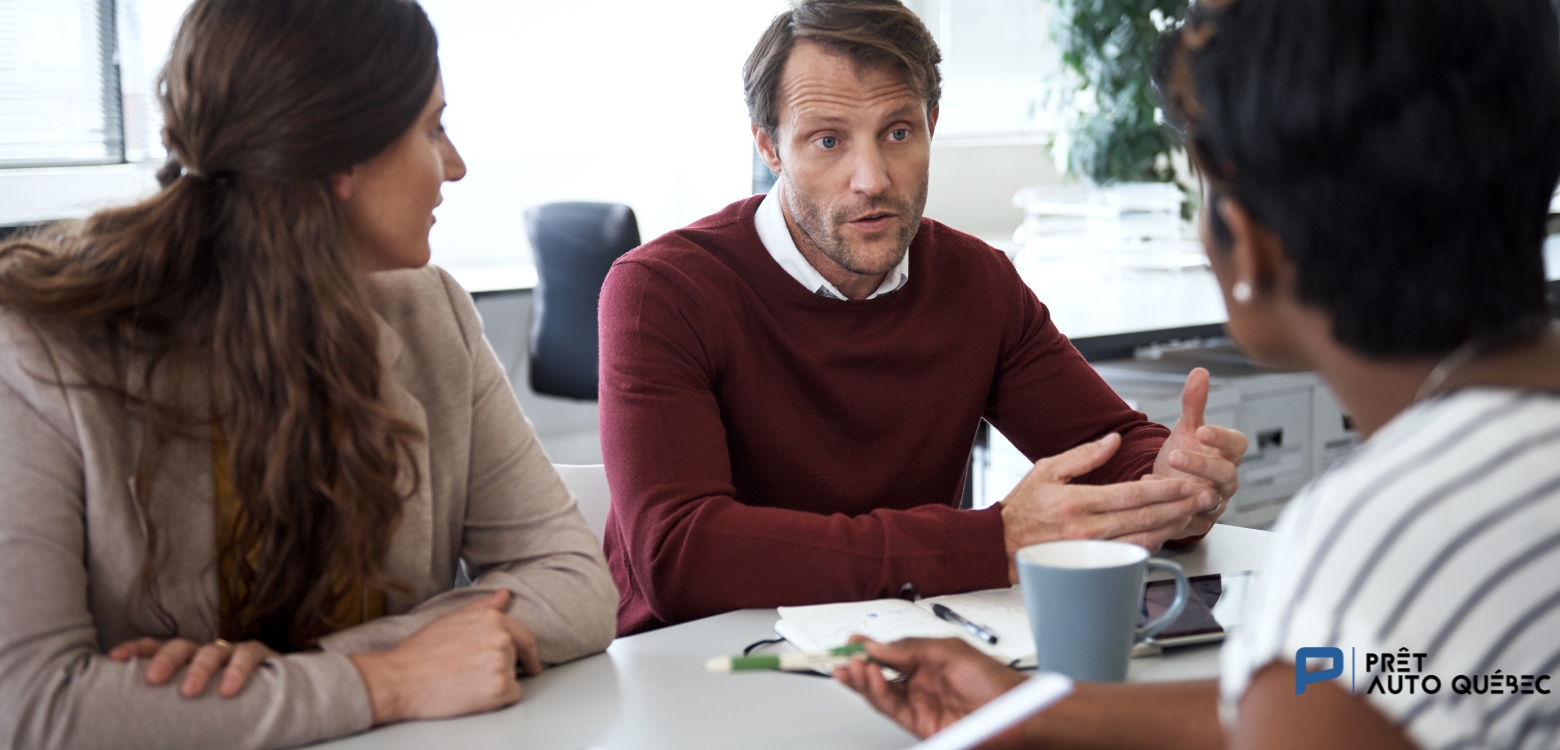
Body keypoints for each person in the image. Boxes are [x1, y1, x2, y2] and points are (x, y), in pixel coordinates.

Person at [834, 0, 1560, 748]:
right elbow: (1386, 682)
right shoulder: (1496, 490)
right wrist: (1040, 715)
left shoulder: (1386, 539)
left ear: (1247, 246)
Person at [0, 1, 618, 748]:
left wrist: (311, 673)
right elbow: (31, 704)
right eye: (432, 128)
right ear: (340, 162)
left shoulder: (431, 314)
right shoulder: (39, 349)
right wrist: (385, 682)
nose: (455, 165)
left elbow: (575, 583)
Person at [597, 0, 1248, 637]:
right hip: (697, 673)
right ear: (769, 146)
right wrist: (990, 542)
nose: (871, 178)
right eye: (828, 140)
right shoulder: (662, 291)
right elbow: (678, 553)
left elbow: (1110, 449)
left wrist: (1173, 484)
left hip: (910, 659)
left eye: (898, 132)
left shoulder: (977, 282)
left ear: (933, 123)